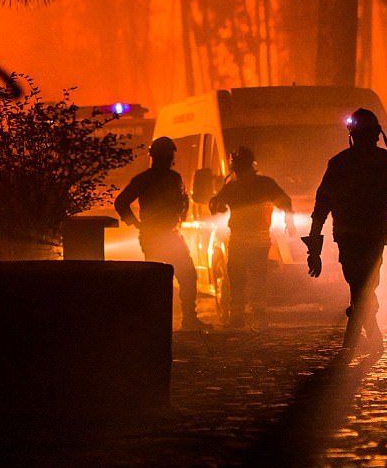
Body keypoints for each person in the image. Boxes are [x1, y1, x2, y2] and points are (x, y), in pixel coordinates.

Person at [303, 108, 387, 354]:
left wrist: (315, 243)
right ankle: (366, 333)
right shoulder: (385, 161)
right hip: (372, 233)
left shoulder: (340, 163)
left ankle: (357, 333)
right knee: (365, 284)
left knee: (360, 284)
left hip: (350, 234)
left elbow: (321, 205)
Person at [115, 136, 208, 331]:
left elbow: (184, 200)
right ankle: (163, 321)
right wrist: (136, 223)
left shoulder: (170, 178)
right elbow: (121, 202)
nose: (169, 159)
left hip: (166, 234)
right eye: (167, 155)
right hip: (155, 236)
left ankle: (181, 319)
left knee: (185, 275)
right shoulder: (147, 179)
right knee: (165, 278)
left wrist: (181, 215)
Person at [209, 146, 295, 329]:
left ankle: (237, 317)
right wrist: (290, 222)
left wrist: (223, 188)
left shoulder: (232, 187)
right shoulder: (265, 183)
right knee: (258, 278)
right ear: (252, 164)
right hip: (260, 240)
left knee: (237, 278)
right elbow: (285, 201)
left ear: (236, 167)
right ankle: (259, 316)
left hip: (239, 241)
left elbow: (216, 207)